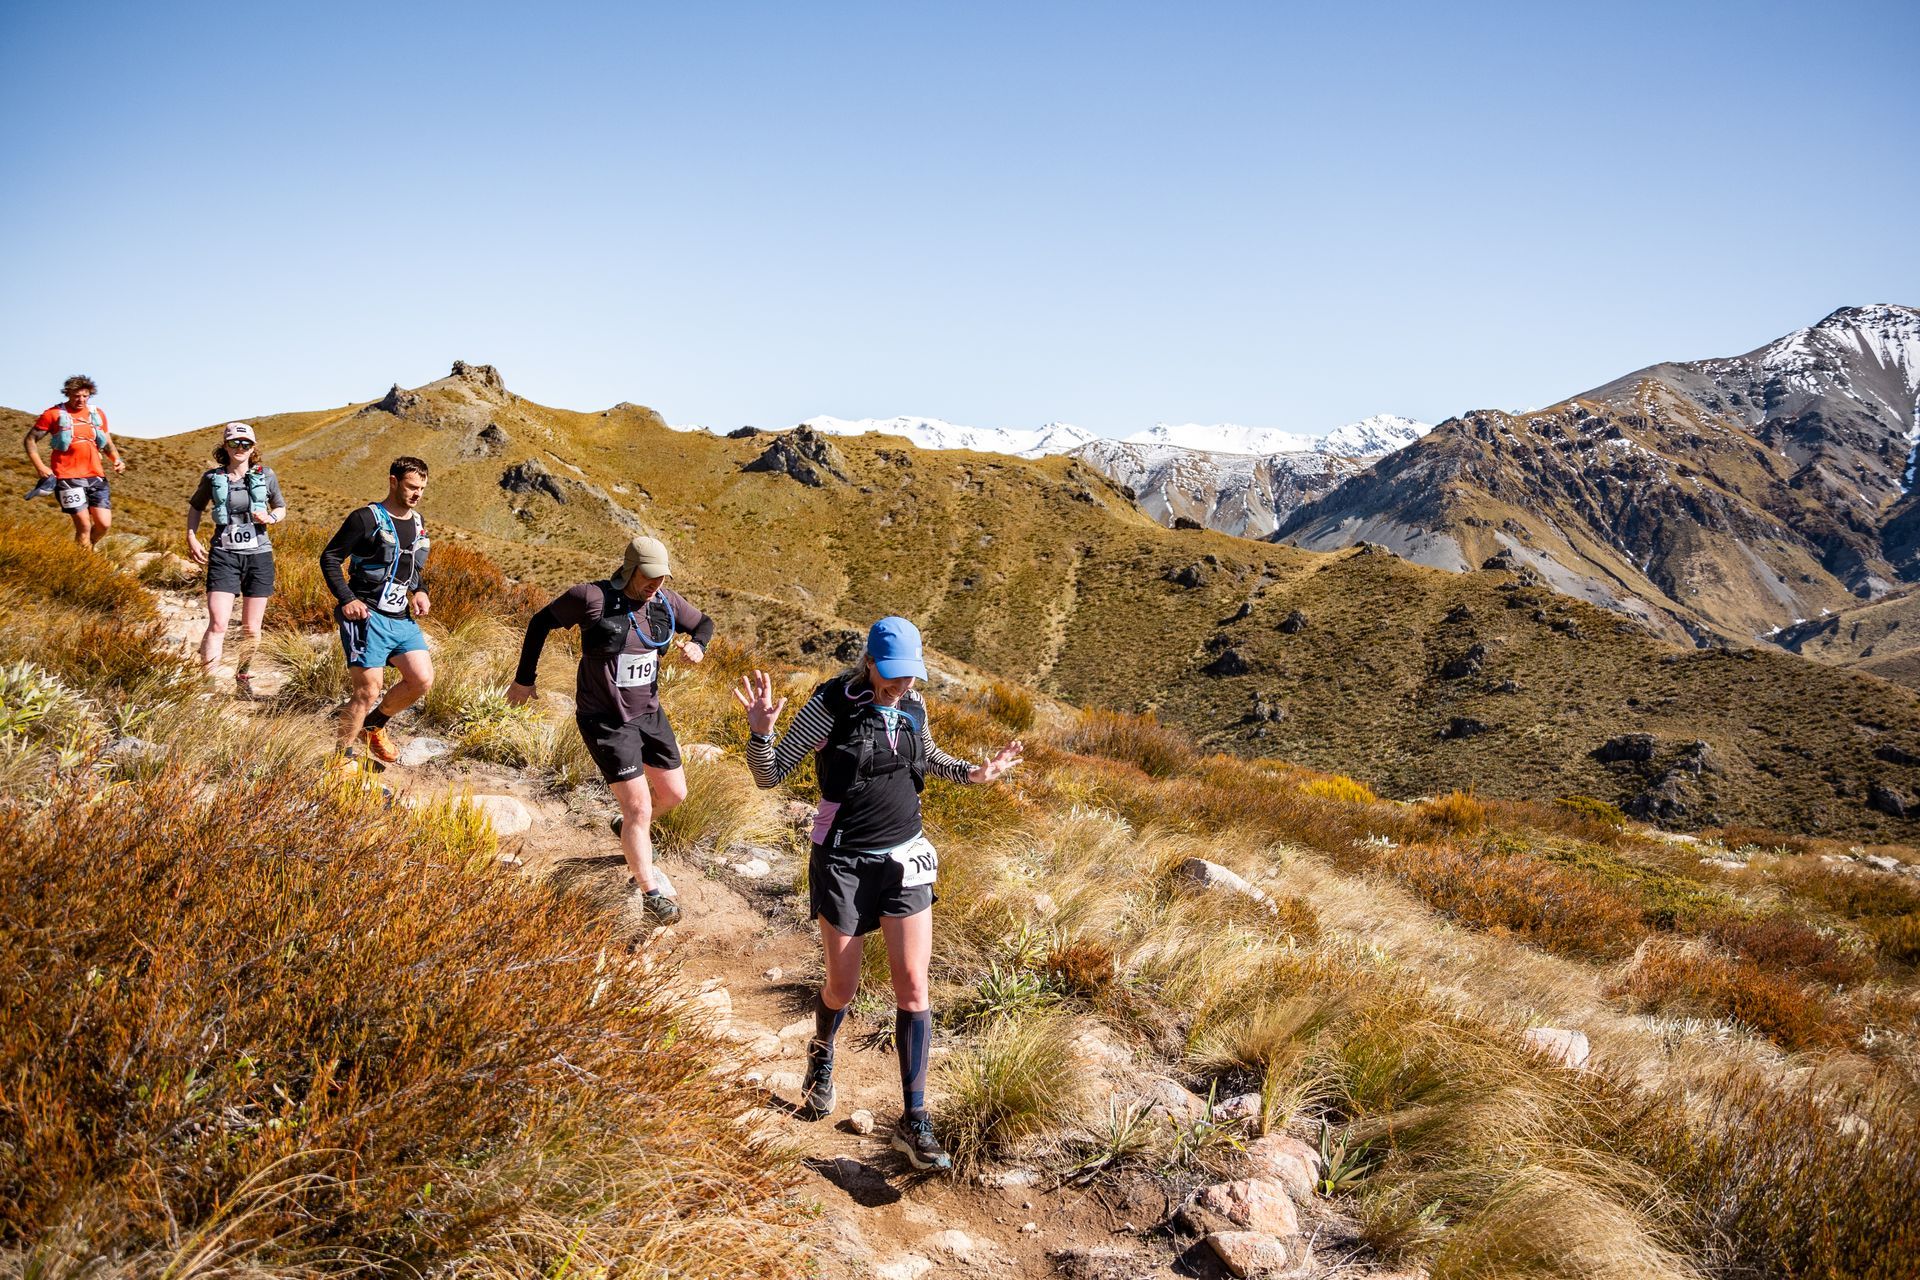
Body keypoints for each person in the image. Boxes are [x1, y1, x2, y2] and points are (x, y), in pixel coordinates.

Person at [737, 617, 1023, 1171]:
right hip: (843, 860)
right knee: (842, 987)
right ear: (868, 662)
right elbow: (768, 776)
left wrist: (974, 774)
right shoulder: (831, 704)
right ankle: (821, 1055)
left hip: (905, 859)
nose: (899, 688)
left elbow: (929, 758)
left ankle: (915, 1122)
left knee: (914, 987)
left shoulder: (913, 707)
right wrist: (761, 732)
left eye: (909, 678)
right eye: (890, 677)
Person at [507, 536, 714, 925]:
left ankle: (627, 829)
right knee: (638, 806)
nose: (656, 584)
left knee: (674, 794)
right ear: (629, 568)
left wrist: (699, 645)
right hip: (605, 719)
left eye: (662, 577)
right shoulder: (590, 597)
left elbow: (703, 623)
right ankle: (651, 893)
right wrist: (524, 679)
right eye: (649, 576)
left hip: (649, 714)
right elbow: (540, 623)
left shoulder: (665, 603)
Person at [320, 457, 434, 764]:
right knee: (368, 690)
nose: (417, 494)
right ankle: (341, 759)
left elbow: (410, 565)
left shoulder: (418, 522)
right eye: (411, 487)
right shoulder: (365, 518)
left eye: (422, 488)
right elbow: (330, 558)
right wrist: (347, 599)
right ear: (393, 481)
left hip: (401, 619)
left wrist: (419, 590)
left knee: (421, 679)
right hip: (366, 616)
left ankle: (374, 725)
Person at [186, 423, 287, 697]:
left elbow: (280, 506)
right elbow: (196, 506)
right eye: (234, 443)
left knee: (251, 628)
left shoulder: (266, 475)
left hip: (259, 555)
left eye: (246, 444)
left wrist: (271, 517)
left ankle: (243, 676)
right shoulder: (212, 478)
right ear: (225, 447)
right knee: (218, 623)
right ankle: (207, 685)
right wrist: (192, 537)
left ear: (253, 448)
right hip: (224, 554)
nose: (240, 448)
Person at [23, 374, 125, 548]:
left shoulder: (97, 414)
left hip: (96, 477)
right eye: (76, 396)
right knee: (84, 525)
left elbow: (107, 442)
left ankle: (84, 551)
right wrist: (40, 467)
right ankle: (84, 562)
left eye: (85, 396)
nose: (81, 400)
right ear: (68, 393)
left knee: (104, 524)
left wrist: (117, 459)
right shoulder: (53, 414)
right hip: (67, 478)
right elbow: (30, 439)